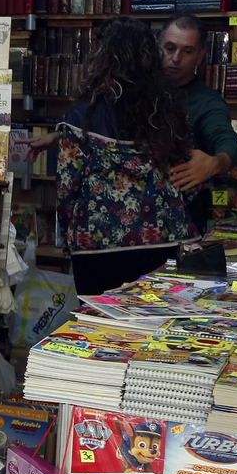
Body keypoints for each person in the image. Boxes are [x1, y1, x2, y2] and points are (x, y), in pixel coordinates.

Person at [55, 18, 194, 296]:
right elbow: (185, 179)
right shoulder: (168, 112)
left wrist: (69, 227)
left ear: (103, 56)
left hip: (96, 242)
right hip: (159, 239)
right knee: (151, 324)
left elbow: (66, 188)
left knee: (96, 325)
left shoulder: (84, 114)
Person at [159, 16, 237, 233]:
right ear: (157, 47)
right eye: (170, 48)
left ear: (200, 56)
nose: (176, 58)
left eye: (187, 51)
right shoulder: (134, 90)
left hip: (180, 223)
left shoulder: (206, 101)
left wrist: (216, 163)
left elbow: (227, 141)